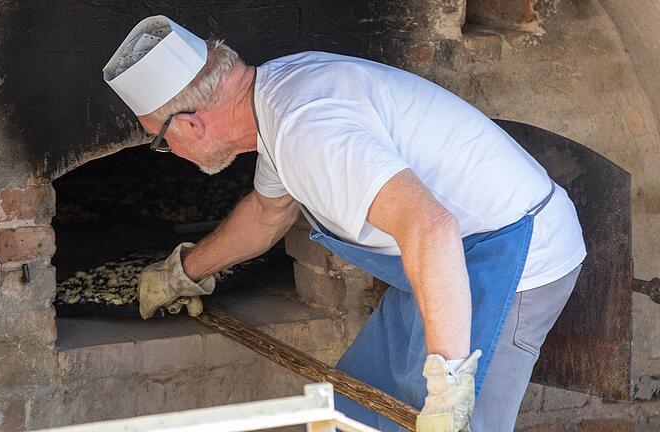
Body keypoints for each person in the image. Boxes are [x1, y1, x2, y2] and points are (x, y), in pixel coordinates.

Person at [103, 15, 586, 432]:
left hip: (511, 261)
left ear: (189, 125)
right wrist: (183, 274)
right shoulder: (274, 98)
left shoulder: (305, 129)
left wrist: (449, 382)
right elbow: (268, 212)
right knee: (356, 411)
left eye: (161, 140)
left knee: (450, 421)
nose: (171, 152)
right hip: (442, 262)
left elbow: (429, 226)